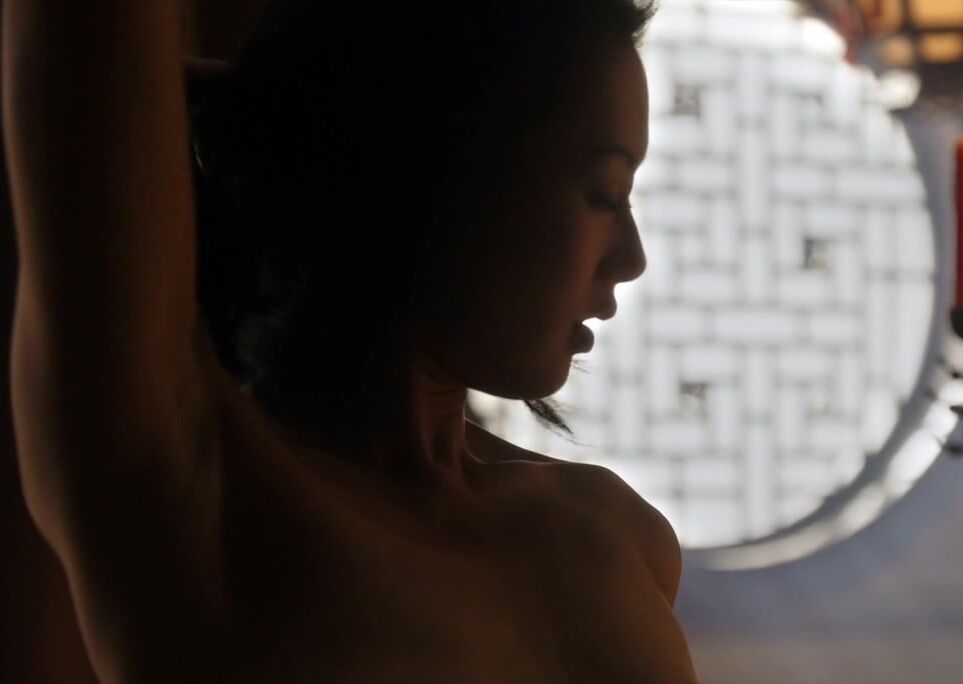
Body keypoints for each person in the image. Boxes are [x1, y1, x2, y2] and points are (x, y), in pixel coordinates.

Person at [4, 0, 699, 680]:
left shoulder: (625, 540)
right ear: (440, 166)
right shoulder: (192, 492)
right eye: (604, 192)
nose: (631, 257)